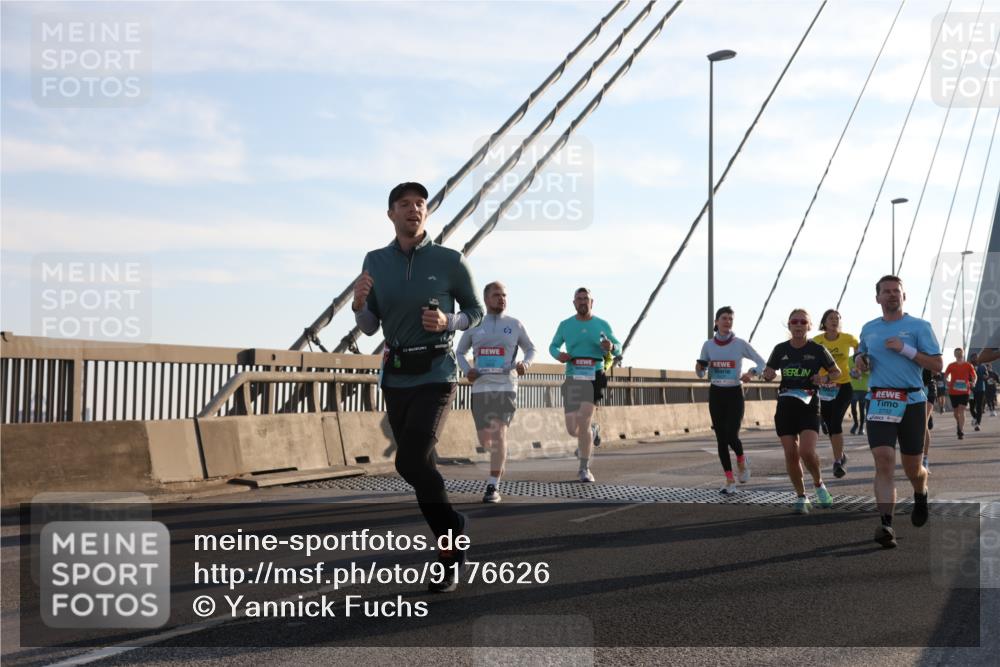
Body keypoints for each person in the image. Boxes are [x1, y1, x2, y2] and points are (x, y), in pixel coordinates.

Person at [353, 181, 485, 592]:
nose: (414, 209)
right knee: (421, 465)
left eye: (420, 204)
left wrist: (451, 322)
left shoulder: (450, 260)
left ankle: (448, 550)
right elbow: (370, 325)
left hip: (437, 371)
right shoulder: (375, 260)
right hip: (396, 373)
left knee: (409, 460)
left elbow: (476, 311)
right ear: (391, 214)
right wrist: (359, 305)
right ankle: (453, 527)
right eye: (405, 204)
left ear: (426, 214)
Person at [855, 275, 942, 549]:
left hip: (912, 402)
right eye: (886, 291)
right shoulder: (869, 328)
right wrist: (860, 360)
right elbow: (861, 356)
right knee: (883, 459)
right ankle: (886, 523)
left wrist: (905, 349)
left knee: (913, 468)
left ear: (904, 296)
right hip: (880, 399)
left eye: (896, 291)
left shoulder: (919, 326)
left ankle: (921, 491)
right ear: (877, 298)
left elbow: (937, 364)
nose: (892, 295)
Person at [456, 281, 536, 504]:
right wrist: (467, 370)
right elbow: (460, 352)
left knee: (499, 433)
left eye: (504, 295)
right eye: (496, 295)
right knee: (485, 439)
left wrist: (525, 364)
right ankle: (499, 460)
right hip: (481, 387)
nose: (501, 299)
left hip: (505, 386)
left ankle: (493, 485)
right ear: (486, 299)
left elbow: (531, 348)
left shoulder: (514, 324)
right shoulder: (475, 324)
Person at [762, 308, 840, 514]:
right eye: (794, 322)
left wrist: (823, 379)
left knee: (806, 451)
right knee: (790, 454)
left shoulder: (817, 349)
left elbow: (836, 372)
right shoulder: (780, 349)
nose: (798, 325)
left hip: (809, 404)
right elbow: (769, 372)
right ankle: (801, 496)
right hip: (786, 404)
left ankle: (819, 484)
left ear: (809, 326)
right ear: (789, 325)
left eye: (802, 322)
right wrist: (768, 374)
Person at [549, 287, 621, 483]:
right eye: (579, 299)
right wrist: (559, 355)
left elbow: (618, 346)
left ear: (592, 302)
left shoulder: (602, 324)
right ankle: (594, 431)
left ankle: (584, 468)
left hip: (594, 376)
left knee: (584, 419)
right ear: (574, 303)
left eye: (586, 299)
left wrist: (611, 347)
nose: (582, 302)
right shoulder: (565, 325)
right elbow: (552, 346)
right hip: (573, 377)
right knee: (573, 429)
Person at [696, 306, 766, 494]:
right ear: (716, 322)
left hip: (734, 393)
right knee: (720, 439)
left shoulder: (740, 343)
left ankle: (742, 461)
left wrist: (751, 373)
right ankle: (729, 480)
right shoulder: (708, 345)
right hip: (716, 394)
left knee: (731, 435)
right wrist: (700, 368)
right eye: (724, 318)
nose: (727, 322)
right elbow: (701, 373)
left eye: (730, 319)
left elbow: (762, 363)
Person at [812, 309, 859, 478]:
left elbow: (860, 349)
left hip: (843, 386)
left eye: (837, 318)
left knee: (836, 422)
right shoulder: (817, 341)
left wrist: (857, 365)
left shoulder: (848, 338)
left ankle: (838, 461)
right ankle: (841, 454)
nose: (834, 321)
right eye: (831, 318)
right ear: (824, 322)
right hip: (824, 388)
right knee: (830, 425)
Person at [943, 348, 977, 440]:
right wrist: (947, 382)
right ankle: (959, 422)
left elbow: (974, 375)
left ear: (963, 354)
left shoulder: (968, 365)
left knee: (962, 410)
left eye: (960, 352)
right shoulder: (951, 365)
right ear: (954, 355)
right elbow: (945, 376)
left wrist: (973, 382)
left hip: (965, 391)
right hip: (953, 391)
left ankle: (960, 430)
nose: (958, 354)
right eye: (957, 353)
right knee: (955, 412)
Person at [849, 356, 870, 435]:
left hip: (864, 388)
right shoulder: (849, 359)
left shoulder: (867, 358)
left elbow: (870, 372)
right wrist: (852, 373)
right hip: (853, 388)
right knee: (853, 407)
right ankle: (855, 424)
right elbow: (847, 370)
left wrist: (863, 369)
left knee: (862, 409)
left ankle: (861, 427)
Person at [922, 368, 936, 472]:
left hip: (927, 387)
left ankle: (924, 459)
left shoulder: (925, 352)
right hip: (910, 387)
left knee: (923, 423)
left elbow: (937, 368)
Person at [971, 353, 987, 431]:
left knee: (979, 407)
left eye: (976, 358)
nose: (975, 359)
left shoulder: (982, 366)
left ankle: (978, 423)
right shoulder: (969, 366)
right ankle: (975, 418)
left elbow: (986, 376)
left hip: (980, 389)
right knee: (971, 408)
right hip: (971, 390)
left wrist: (983, 376)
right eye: (973, 358)